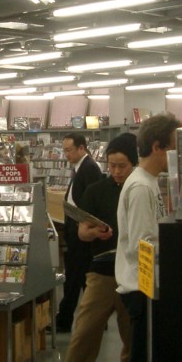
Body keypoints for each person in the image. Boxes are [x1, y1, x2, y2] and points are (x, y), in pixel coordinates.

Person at [42, 133, 137, 362]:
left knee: (131, 335)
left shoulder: (139, 189)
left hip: (132, 273)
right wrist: (91, 231)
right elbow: (83, 232)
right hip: (103, 271)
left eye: (122, 165)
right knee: (84, 331)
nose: (116, 171)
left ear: (134, 163)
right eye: (112, 165)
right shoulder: (96, 190)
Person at [111, 113, 180, 362]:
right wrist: (152, 292)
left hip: (145, 287)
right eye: (173, 146)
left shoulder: (148, 183)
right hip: (143, 289)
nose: (175, 154)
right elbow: (143, 245)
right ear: (157, 146)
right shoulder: (140, 187)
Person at [55, 133, 103, 332]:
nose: (66, 154)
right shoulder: (81, 168)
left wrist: (83, 226)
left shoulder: (89, 168)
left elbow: (91, 201)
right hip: (77, 230)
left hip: (81, 232)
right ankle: (97, 318)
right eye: (64, 150)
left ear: (82, 148)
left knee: (74, 277)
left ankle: (64, 320)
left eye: (69, 150)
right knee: (82, 277)